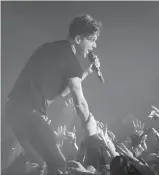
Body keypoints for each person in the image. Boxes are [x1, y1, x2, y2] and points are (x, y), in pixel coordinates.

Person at [5, 14, 102, 174]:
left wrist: (84, 72)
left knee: (39, 163)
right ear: (78, 39)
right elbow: (80, 102)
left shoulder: (49, 48)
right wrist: (92, 134)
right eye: (91, 40)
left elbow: (55, 94)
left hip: (12, 110)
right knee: (59, 165)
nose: (94, 45)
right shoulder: (71, 60)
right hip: (29, 114)